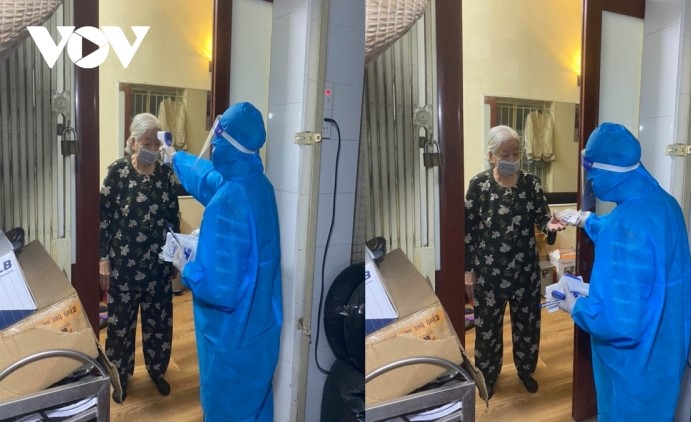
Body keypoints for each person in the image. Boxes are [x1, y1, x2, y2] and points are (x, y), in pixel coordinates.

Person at [556, 122, 691, 421]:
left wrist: (576, 306)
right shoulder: (666, 204)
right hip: (665, 357)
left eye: (591, 170)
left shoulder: (626, 225)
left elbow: (619, 323)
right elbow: (636, 238)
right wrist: (585, 219)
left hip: (632, 371)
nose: (590, 179)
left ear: (605, 170)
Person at [167, 101, 282, 421]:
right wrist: (174, 157)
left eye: (216, 140)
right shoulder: (259, 186)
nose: (213, 146)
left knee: (227, 410)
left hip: (230, 340)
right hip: (259, 332)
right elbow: (208, 178)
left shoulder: (230, 201)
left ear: (225, 143)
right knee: (257, 406)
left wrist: (186, 265)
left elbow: (220, 288)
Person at [464, 125, 565, 399]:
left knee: (528, 325)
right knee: (487, 329)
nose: (512, 159)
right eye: (505, 154)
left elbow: (542, 217)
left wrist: (550, 225)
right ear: (491, 156)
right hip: (489, 273)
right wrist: (468, 271)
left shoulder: (531, 183)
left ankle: (526, 370)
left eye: (516, 153)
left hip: (525, 272)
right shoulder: (478, 185)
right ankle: (487, 376)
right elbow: (469, 231)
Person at [99, 113, 181, 404]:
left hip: (158, 265)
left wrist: (174, 257)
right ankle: (119, 376)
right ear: (133, 143)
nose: (153, 149)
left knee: (159, 323)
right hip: (124, 266)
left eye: (156, 144)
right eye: (147, 143)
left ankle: (157, 371)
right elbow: (104, 219)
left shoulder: (165, 176)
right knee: (120, 326)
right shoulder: (117, 172)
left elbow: (173, 218)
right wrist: (103, 258)